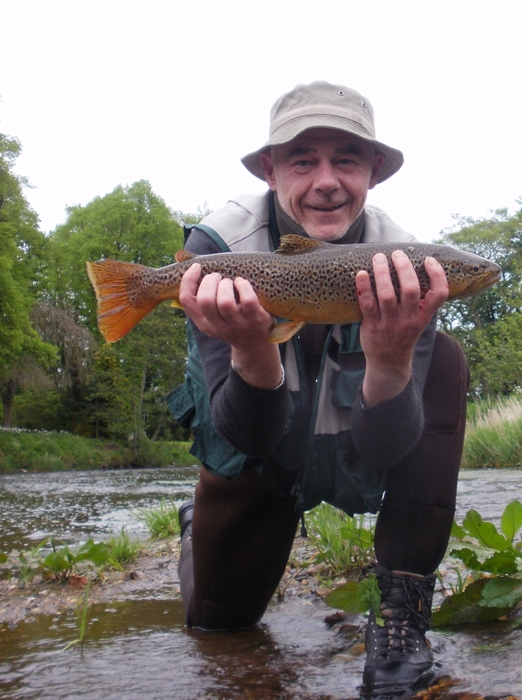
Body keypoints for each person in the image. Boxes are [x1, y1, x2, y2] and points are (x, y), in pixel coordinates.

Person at [169, 81, 469, 698]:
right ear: (271, 170)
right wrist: (254, 350)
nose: (326, 180)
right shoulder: (219, 249)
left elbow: (388, 452)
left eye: (347, 160)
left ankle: (401, 617)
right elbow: (244, 434)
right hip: (258, 455)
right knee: (218, 628)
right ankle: (196, 532)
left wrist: (388, 364)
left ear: (374, 173)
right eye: (303, 160)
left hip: (357, 446)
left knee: (445, 362)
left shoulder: (409, 266)